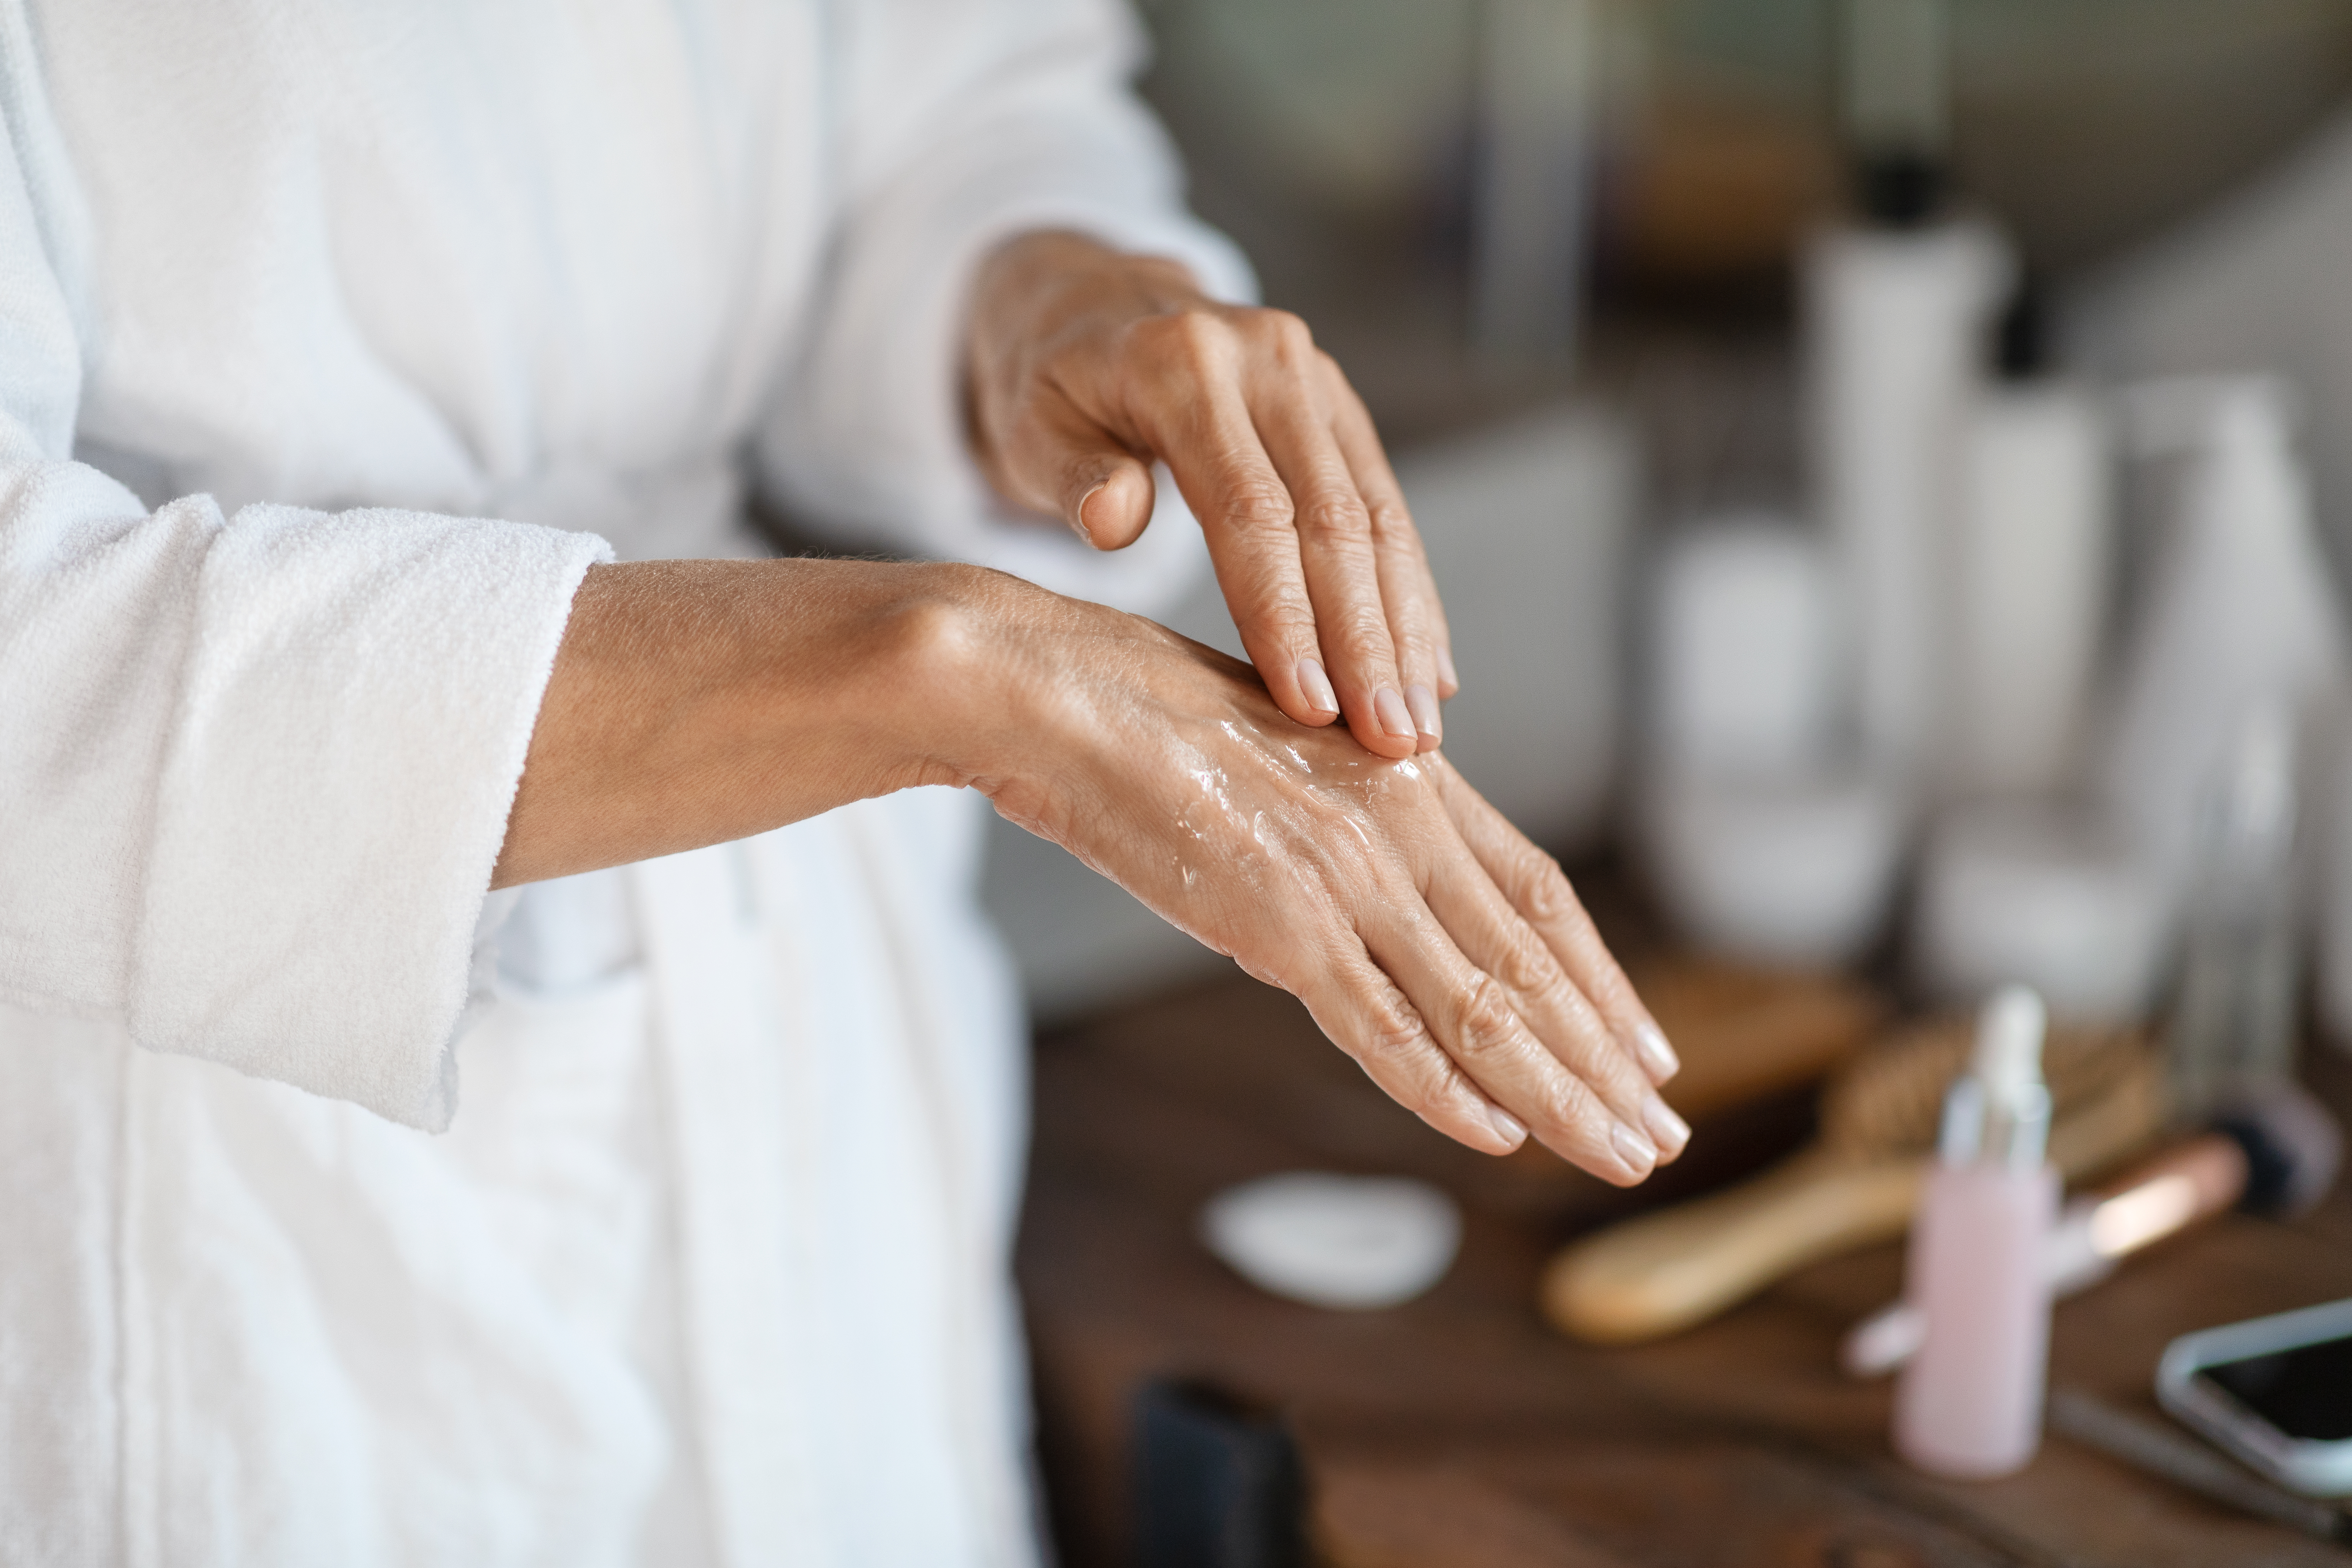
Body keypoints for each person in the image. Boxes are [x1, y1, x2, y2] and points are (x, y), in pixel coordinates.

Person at [0, 0, 1688, 1561]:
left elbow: (958, 99)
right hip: (227, 1198)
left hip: (821, 1120)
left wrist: (1051, 300)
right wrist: (920, 673)